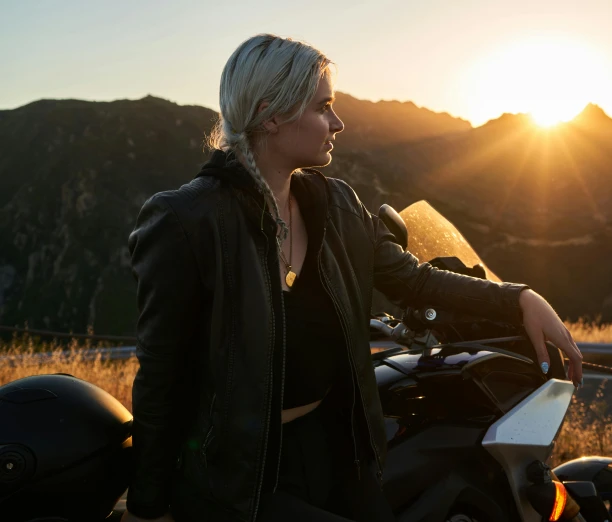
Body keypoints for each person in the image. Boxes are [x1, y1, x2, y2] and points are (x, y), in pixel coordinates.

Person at [121, 33, 583, 522]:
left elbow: (414, 281)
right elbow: (160, 373)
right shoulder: (185, 221)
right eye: (324, 107)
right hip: (240, 475)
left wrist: (517, 298)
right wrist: (147, 505)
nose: (337, 123)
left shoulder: (336, 205)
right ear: (271, 114)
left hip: (336, 450)